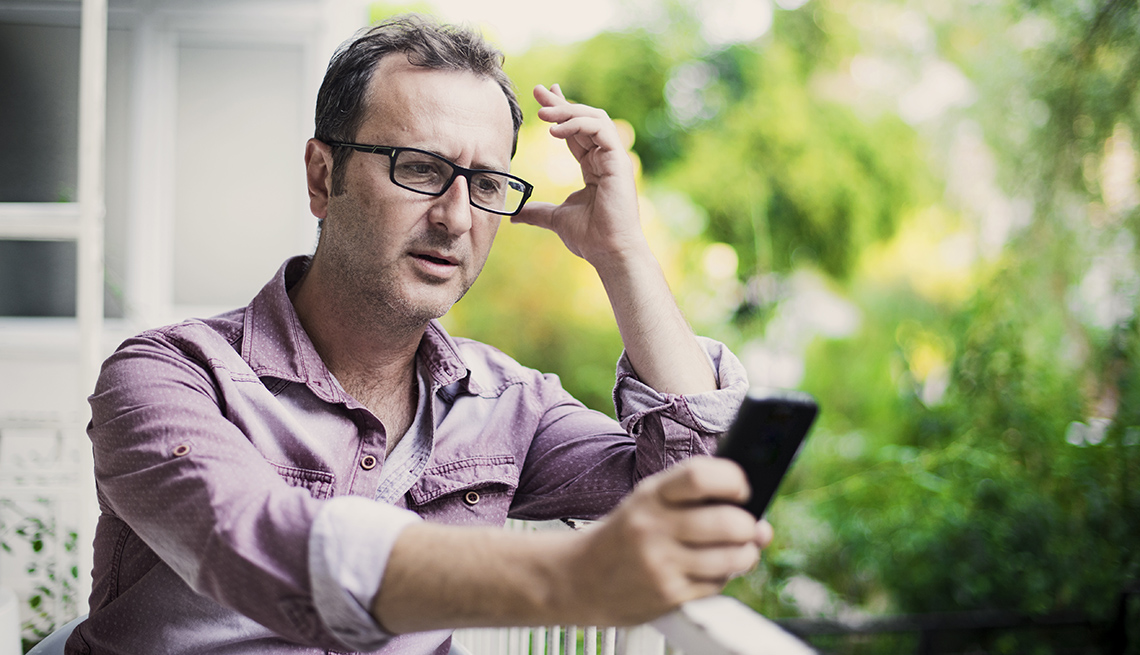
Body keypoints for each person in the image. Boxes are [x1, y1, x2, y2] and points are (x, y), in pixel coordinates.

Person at [70, 14, 771, 655]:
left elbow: (705, 479)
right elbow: (260, 541)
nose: (457, 216)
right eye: (421, 168)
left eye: (487, 183)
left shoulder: (507, 407)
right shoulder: (170, 375)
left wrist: (623, 255)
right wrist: (573, 574)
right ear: (322, 176)